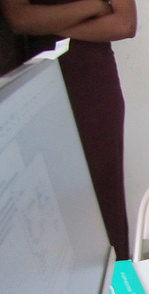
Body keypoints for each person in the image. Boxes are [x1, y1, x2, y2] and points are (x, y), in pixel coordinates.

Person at [0, 0, 137, 260]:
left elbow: (124, 24)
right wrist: (96, 6)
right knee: (50, 202)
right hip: (33, 86)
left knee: (105, 195)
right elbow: (21, 20)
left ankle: (121, 288)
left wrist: (48, 23)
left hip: (94, 83)